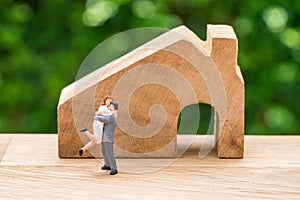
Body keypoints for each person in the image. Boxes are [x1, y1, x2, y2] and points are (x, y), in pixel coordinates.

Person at [80, 95, 119, 175]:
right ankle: (107, 164)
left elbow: (103, 119)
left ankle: (114, 168)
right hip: (104, 137)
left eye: (111, 105)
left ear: (114, 108)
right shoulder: (110, 115)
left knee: (109, 153)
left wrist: (97, 115)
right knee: (104, 152)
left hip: (108, 138)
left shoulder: (112, 117)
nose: (109, 105)